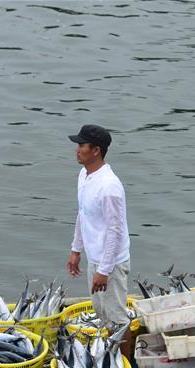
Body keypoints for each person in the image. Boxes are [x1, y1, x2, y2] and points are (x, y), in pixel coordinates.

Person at [66, 124, 132, 354]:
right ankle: (110, 356)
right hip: (95, 257)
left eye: (81, 145)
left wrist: (104, 270)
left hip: (110, 262)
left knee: (118, 319)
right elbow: (83, 213)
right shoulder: (84, 175)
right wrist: (76, 250)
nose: (77, 149)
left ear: (96, 150)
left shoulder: (109, 186)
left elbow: (116, 230)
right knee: (101, 313)